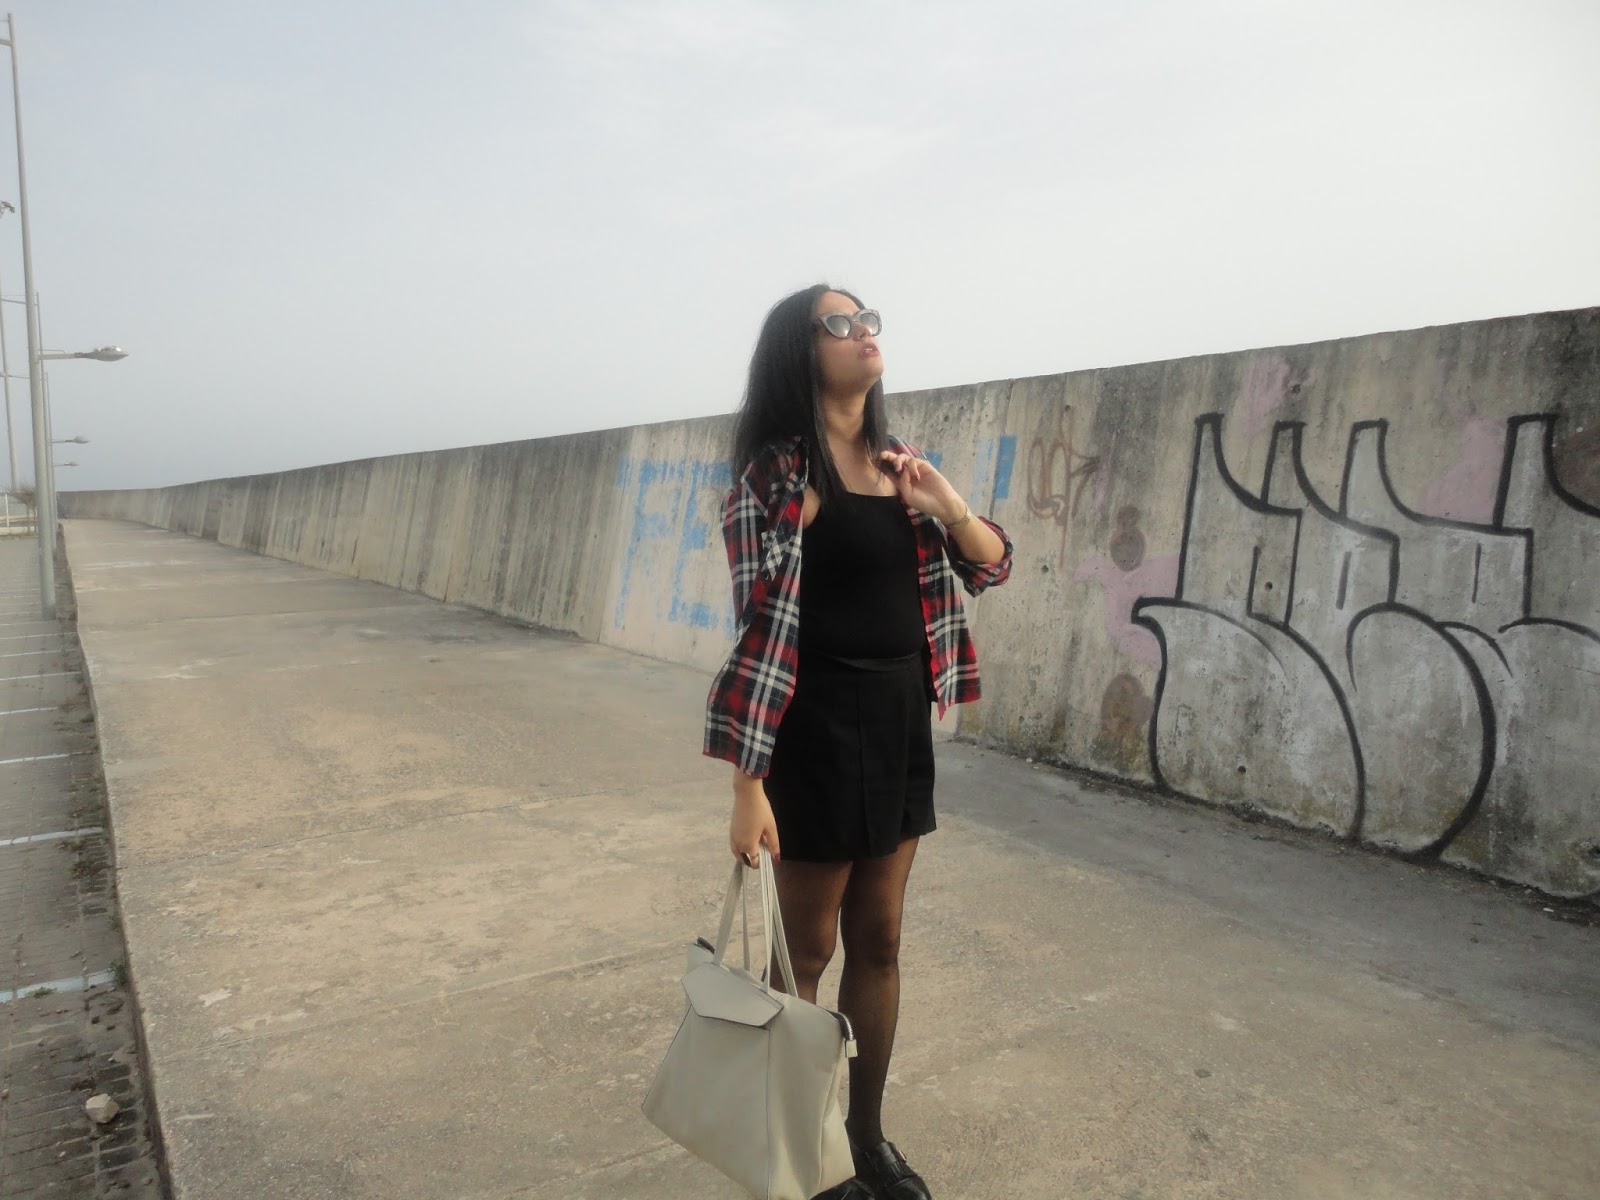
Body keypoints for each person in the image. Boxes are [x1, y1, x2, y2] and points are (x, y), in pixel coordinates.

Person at [704, 284, 1014, 1200]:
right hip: (813, 727)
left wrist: (946, 502)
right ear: (798, 353)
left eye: (867, 319)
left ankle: (865, 1139)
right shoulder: (774, 474)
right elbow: (757, 627)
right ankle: (802, 1154)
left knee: (880, 940)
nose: (861, 333)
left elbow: (990, 563)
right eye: (837, 324)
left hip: (898, 716)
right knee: (802, 957)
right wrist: (747, 787)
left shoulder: (900, 464)